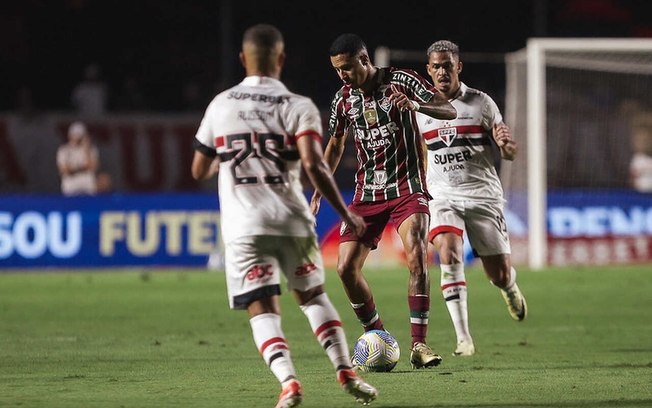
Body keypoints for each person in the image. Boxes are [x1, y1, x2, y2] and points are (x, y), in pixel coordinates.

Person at [191, 24, 377, 408]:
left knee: (262, 307)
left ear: (243, 60)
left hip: (245, 227)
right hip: (292, 221)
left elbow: (198, 169)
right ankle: (345, 370)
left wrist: (225, 162)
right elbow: (314, 164)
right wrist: (346, 213)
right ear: (281, 60)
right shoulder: (298, 105)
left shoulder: (221, 105)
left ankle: (290, 383)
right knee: (312, 297)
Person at [310, 33, 457, 370]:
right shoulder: (343, 100)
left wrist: (417, 106)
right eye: (337, 70)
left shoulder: (401, 81)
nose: (343, 76)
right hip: (367, 194)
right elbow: (334, 146)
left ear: (364, 60)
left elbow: (446, 108)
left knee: (417, 254)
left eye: (347, 68)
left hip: (408, 188)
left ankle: (419, 344)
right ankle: (377, 335)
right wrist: (319, 189)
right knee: (345, 267)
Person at [416, 40, 528, 357]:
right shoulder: (421, 110)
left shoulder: (481, 103)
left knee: (499, 274)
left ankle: (508, 287)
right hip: (442, 196)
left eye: (447, 65)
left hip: (482, 196)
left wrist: (507, 146)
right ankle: (463, 338)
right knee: (448, 254)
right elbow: (417, 154)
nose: (441, 71)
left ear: (458, 67)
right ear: (429, 70)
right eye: (436, 66)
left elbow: (509, 152)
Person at [56, 121, 99, 196]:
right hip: (71, 183)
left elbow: (93, 167)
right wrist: (82, 168)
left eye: (80, 135)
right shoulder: (64, 150)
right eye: (75, 134)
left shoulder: (91, 149)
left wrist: (87, 150)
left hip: (86, 182)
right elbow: (64, 171)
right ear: (70, 135)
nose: (77, 137)